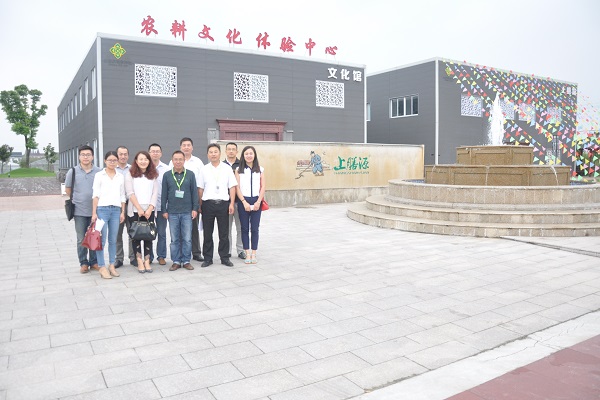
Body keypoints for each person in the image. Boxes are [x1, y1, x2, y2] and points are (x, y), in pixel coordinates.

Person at [197, 143, 237, 268]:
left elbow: (232, 187)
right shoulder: (204, 169)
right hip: (208, 204)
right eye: (211, 152)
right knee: (207, 233)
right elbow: (200, 189)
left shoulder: (227, 169)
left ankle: (224, 257)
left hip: (223, 204)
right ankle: (208, 258)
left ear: (220, 153)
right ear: (207, 154)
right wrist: (200, 204)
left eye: (215, 152)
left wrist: (231, 203)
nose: (213, 154)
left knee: (224, 233)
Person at [65, 145, 101, 274]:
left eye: (88, 155)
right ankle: (83, 263)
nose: (86, 157)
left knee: (94, 236)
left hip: (96, 210)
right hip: (79, 211)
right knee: (81, 238)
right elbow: (68, 189)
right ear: (79, 157)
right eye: (83, 155)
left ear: (92, 157)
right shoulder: (73, 171)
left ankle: (94, 262)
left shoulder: (99, 171)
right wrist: (78, 199)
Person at [91, 151, 126, 279]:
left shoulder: (120, 176)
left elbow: (122, 195)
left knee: (113, 240)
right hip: (102, 210)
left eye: (114, 160)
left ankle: (111, 265)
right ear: (105, 161)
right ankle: (102, 266)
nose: (112, 162)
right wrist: (94, 213)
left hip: (116, 210)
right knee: (101, 239)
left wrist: (122, 212)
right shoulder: (99, 175)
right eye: (110, 160)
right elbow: (95, 195)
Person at [162, 150, 199, 271]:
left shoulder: (190, 174)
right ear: (172, 161)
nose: (178, 161)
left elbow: (194, 193)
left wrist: (195, 208)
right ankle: (176, 261)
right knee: (175, 239)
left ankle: (186, 261)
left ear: (184, 161)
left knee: (187, 238)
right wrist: (164, 210)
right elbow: (164, 194)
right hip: (172, 212)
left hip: (187, 212)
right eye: (176, 159)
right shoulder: (167, 175)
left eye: (180, 159)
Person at [169, 137, 204, 262]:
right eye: (184, 145)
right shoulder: (172, 162)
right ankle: (179, 255)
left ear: (192, 147)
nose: (186, 147)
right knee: (177, 231)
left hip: (192, 199)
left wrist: (198, 203)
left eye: (188, 145)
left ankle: (196, 252)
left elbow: (201, 183)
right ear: (180, 147)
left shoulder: (198, 162)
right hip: (176, 203)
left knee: (193, 228)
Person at [125, 151, 159, 273]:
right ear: (136, 160)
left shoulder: (153, 174)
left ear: (149, 161)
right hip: (135, 210)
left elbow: (155, 193)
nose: (143, 161)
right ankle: (139, 261)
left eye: (146, 159)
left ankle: (147, 261)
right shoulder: (130, 174)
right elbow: (130, 193)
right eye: (141, 159)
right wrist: (139, 208)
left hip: (149, 211)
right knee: (136, 236)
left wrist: (150, 208)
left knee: (148, 235)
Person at [235, 145, 266, 264]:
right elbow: (237, 187)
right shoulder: (238, 170)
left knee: (255, 228)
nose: (249, 156)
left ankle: (254, 253)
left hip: (256, 201)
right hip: (243, 201)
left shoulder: (260, 169)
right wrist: (243, 202)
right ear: (243, 156)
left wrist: (258, 202)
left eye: (251, 153)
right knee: (244, 228)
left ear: (254, 155)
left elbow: (263, 186)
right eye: (246, 154)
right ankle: (247, 253)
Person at [223, 142, 245, 260]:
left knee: (240, 227)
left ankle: (241, 250)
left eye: (233, 149)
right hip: (225, 202)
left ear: (237, 151)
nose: (231, 151)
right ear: (225, 151)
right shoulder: (221, 165)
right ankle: (227, 250)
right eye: (229, 149)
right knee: (226, 228)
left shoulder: (242, 165)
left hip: (239, 201)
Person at [148, 143, 169, 265]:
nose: (155, 153)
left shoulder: (166, 168)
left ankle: (161, 256)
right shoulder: (144, 168)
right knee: (148, 232)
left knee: (161, 232)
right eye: (153, 151)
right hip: (148, 207)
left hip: (162, 206)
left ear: (161, 153)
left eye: (157, 151)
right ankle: (149, 256)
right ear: (149, 153)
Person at [114, 146, 134, 268]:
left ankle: (133, 257)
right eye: (120, 154)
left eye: (125, 154)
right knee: (117, 234)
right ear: (117, 155)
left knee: (132, 232)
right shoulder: (112, 169)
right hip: (117, 205)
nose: (123, 156)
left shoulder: (133, 169)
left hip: (130, 204)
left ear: (128, 155)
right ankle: (119, 258)